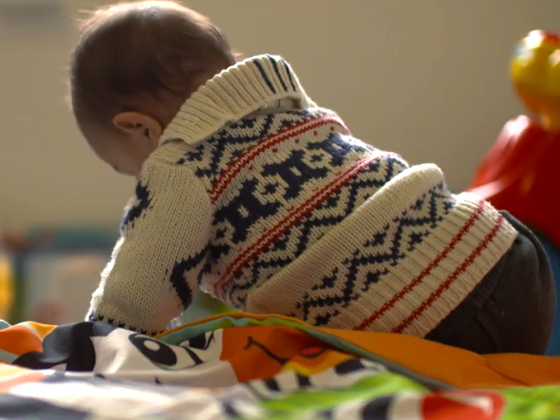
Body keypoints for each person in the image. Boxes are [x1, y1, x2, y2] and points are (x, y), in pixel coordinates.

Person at [69, 0, 555, 354]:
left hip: (425, 319)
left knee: (288, 362)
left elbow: (136, 299)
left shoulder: (179, 168)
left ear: (137, 127)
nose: (137, 177)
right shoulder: (294, 110)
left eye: (126, 167)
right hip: (509, 254)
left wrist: (93, 344)